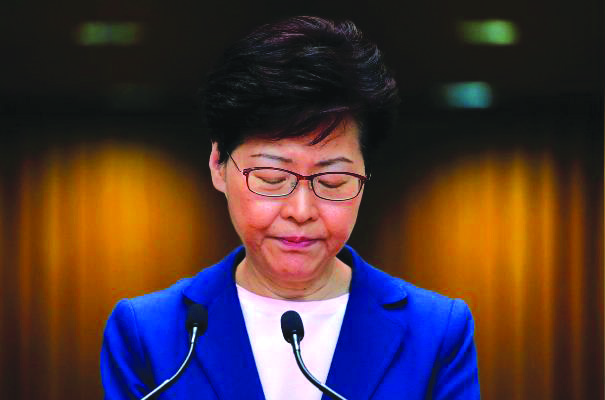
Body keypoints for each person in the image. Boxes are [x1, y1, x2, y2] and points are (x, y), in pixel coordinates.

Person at [101, 16, 480, 399]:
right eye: (271, 178)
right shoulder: (147, 331)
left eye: (332, 181)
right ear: (218, 165)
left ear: (366, 174)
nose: (301, 210)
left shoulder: (436, 332)